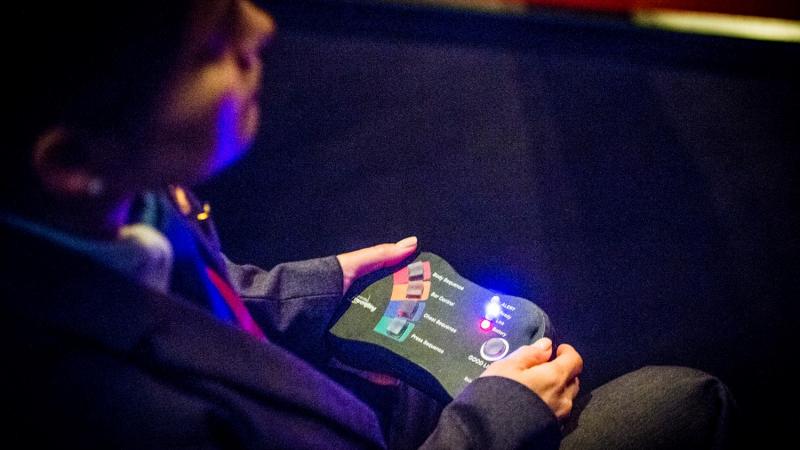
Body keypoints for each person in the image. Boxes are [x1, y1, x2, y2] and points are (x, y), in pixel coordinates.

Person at [1, 1, 735, 448]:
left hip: (316, 410)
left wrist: (314, 290)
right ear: (71, 158)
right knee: (676, 399)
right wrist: (495, 424)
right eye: (211, 47)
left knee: (421, 381)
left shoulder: (116, 206)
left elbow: (189, 293)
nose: (261, 26)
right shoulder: (105, 415)